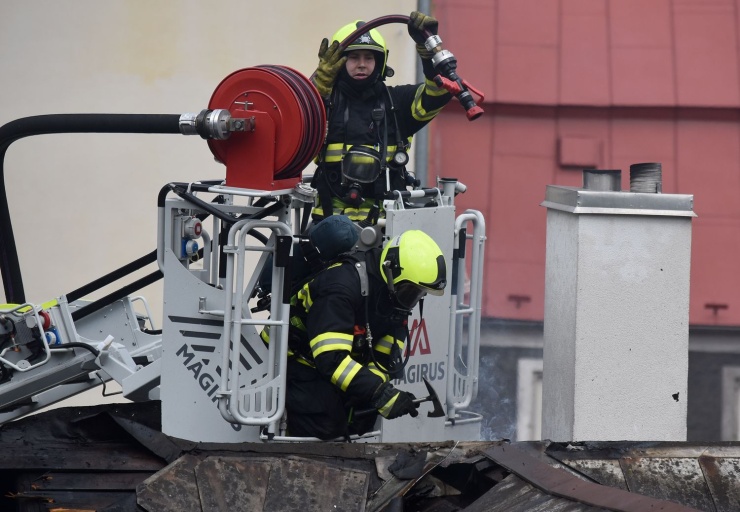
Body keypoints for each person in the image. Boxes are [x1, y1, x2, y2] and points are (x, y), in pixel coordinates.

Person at [272, 229, 447, 440]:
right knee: (326, 422)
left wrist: (373, 395)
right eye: (410, 291)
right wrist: (378, 393)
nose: (411, 300)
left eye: (418, 294)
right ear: (390, 270)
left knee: (361, 416)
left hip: (329, 364)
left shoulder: (394, 299)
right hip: (289, 358)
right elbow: (330, 358)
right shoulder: (340, 287)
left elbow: (383, 359)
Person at [309, 11, 452, 224]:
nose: (362, 64)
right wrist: (317, 90)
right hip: (328, 227)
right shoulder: (321, 104)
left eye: (369, 57)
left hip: (389, 227)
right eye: (354, 57)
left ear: (380, 61)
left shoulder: (398, 103)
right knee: (337, 235)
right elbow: (293, 130)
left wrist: (428, 51)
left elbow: (440, 92)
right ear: (338, 62)